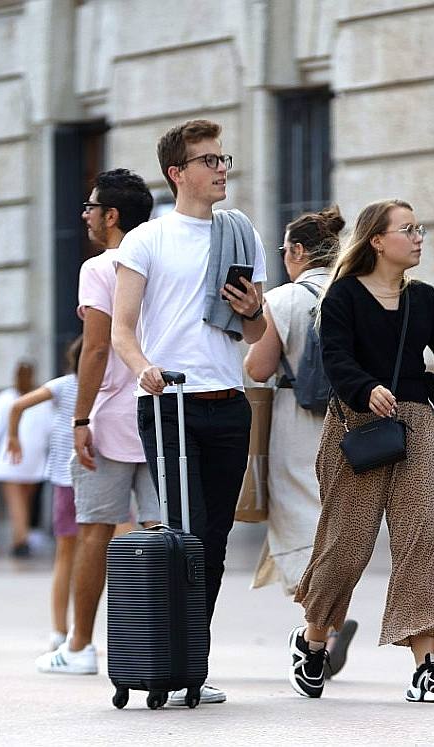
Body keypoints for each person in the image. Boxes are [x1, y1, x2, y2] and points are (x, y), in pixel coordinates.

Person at [285, 199, 434, 702]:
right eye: (407, 230)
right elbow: (336, 357)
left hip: (415, 425)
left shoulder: (423, 299)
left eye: (420, 229)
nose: (418, 238)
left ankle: (427, 665)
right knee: (346, 546)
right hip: (358, 426)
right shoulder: (342, 296)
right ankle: (313, 639)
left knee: (418, 541)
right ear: (376, 241)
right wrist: (364, 388)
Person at [112, 119, 268, 705]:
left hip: (228, 403)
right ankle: (170, 652)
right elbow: (124, 329)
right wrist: (143, 368)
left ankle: (191, 658)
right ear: (178, 173)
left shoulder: (240, 234)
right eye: (208, 160)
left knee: (217, 535)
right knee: (186, 531)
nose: (221, 168)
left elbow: (252, 333)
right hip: (168, 403)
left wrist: (254, 308)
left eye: (223, 158)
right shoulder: (147, 240)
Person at [37, 168, 162, 676]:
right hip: (160, 412)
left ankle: (81, 646)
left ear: (111, 216)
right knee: (163, 533)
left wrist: (79, 417)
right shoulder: (161, 258)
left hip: (110, 415)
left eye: (90, 208)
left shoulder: (100, 268)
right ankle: (162, 642)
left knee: (93, 532)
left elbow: (94, 347)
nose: (85, 215)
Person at [243, 205, 358, 679]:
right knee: (338, 524)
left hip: (296, 422)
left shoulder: (285, 299)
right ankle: (327, 623)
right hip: (353, 423)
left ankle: (322, 629)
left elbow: (258, 368)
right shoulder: (356, 295)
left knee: (298, 522)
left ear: (296, 252)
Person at [6, 336, 83, 653]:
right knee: (90, 556)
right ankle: (72, 629)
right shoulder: (91, 385)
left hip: (66, 479)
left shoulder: (64, 385)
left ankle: (61, 630)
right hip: (82, 478)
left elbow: (18, 405)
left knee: (67, 556)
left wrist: (14, 437)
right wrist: (12, 437)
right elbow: (17, 405)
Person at [0, 359, 51, 557]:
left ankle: (20, 539)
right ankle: (22, 536)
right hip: (34, 457)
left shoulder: (5, 398)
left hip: (10, 454)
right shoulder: (41, 398)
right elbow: (49, 429)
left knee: (16, 501)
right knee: (26, 500)